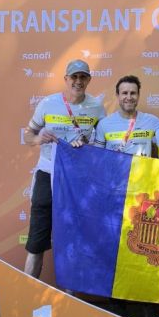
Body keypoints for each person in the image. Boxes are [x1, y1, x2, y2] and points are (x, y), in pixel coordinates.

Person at [23, 59, 106, 278]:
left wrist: (87, 145)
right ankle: (25, 291)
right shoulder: (48, 103)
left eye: (83, 77)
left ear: (88, 80)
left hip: (78, 180)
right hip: (47, 175)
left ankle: (70, 296)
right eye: (74, 77)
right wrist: (38, 138)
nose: (78, 81)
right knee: (36, 243)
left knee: (74, 242)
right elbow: (27, 135)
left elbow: (102, 144)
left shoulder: (97, 107)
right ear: (66, 79)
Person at [94, 75, 159, 156]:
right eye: (125, 93)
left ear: (138, 95)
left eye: (133, 93)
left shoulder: (152, 121)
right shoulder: (104, 124)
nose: (129, 97)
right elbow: (97, 156)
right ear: (117, 96)